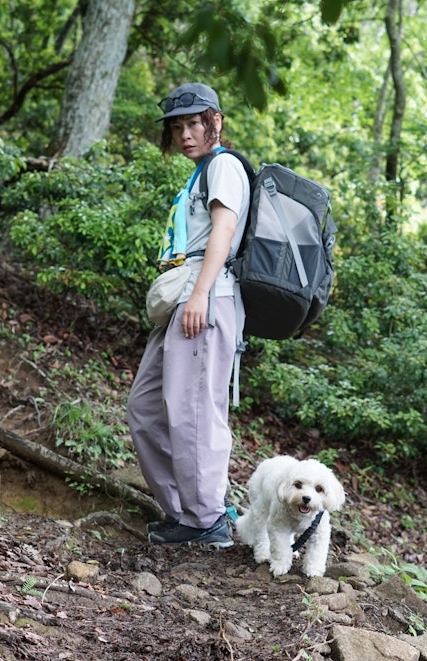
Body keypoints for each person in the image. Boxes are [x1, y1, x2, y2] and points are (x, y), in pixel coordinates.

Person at [126, 83, 251, 547]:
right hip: (187, 298)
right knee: (145, 407)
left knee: (194, 410)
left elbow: (224, 230)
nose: (185, 135)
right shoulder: (200, 173)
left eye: (194, 123)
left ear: (216, 121)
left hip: (207, 297)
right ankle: (184, 512)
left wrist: (200, 294)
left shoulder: (223, 166)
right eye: (177, 127)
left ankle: (206, 520)